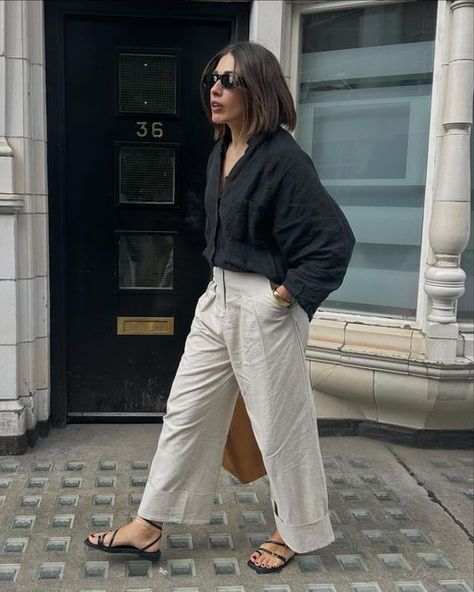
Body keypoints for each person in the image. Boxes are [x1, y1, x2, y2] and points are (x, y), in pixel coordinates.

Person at [85, 41, 355, 574]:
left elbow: (334, 242)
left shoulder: (284, 159)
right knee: (185, 413)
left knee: (281, 427)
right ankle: (150, 524)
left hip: (265, 306)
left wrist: (284, 296)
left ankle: (296, 530)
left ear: (259, 88)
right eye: (213, 77)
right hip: (218, 299)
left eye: (229, 80)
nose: (214, 87)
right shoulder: (222, 150)